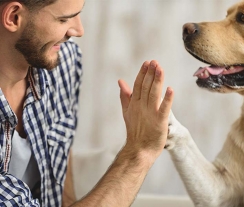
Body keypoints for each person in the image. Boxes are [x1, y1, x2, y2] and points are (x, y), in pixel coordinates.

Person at [0, 0, 174, 206]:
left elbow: (60, 162)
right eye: (63, 19)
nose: (79, 30)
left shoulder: (63, 60)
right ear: (13, 17)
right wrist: (140, 152)